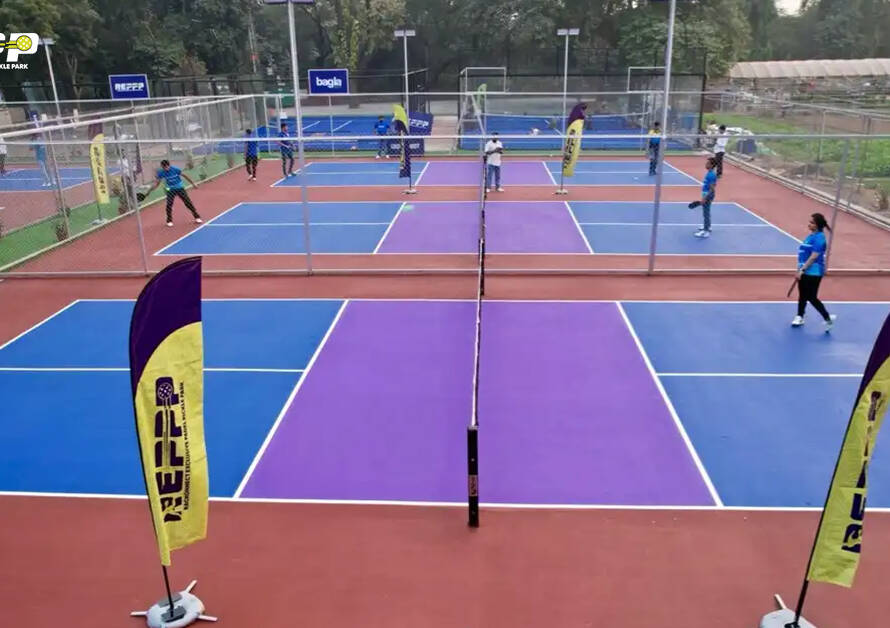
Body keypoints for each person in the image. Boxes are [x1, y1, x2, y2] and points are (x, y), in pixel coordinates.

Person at [792, 212, 836, 330]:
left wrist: (803, 269)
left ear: (817, 225)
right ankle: (799, 316)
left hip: (814, 272)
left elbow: (814, 256)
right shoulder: (810, 236)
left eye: (812, 222)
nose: (809, 224)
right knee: (802, 295)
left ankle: (828, 319)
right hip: (803, 270)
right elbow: (803, 254)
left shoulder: (819, 238)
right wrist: (798, 270)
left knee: (811, 297)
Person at [144, 159, 202, 227]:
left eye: (167, 167)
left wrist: (193, 184)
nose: (166, 168)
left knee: (188, 202)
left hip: (180, 188)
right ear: (162, 167)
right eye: (164, 167)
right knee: (169, 204)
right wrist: (149, 191)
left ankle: (197, 217)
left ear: (169, 165)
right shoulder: (161, 173)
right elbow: (157, 184)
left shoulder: (175, 169)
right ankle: (169, 221)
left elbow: (185, 176)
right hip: (170, 189)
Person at [688, 156, 718, 238]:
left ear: (712, 165)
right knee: (706, 212)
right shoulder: (710, 173)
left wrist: (705, 198)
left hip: (708, 194)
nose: (706, 164)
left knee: (706, 213)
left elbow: (712, 189)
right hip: (706, 194)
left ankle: (706, 231)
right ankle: (708, 226)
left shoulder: (711, 175)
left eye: (708, 163)